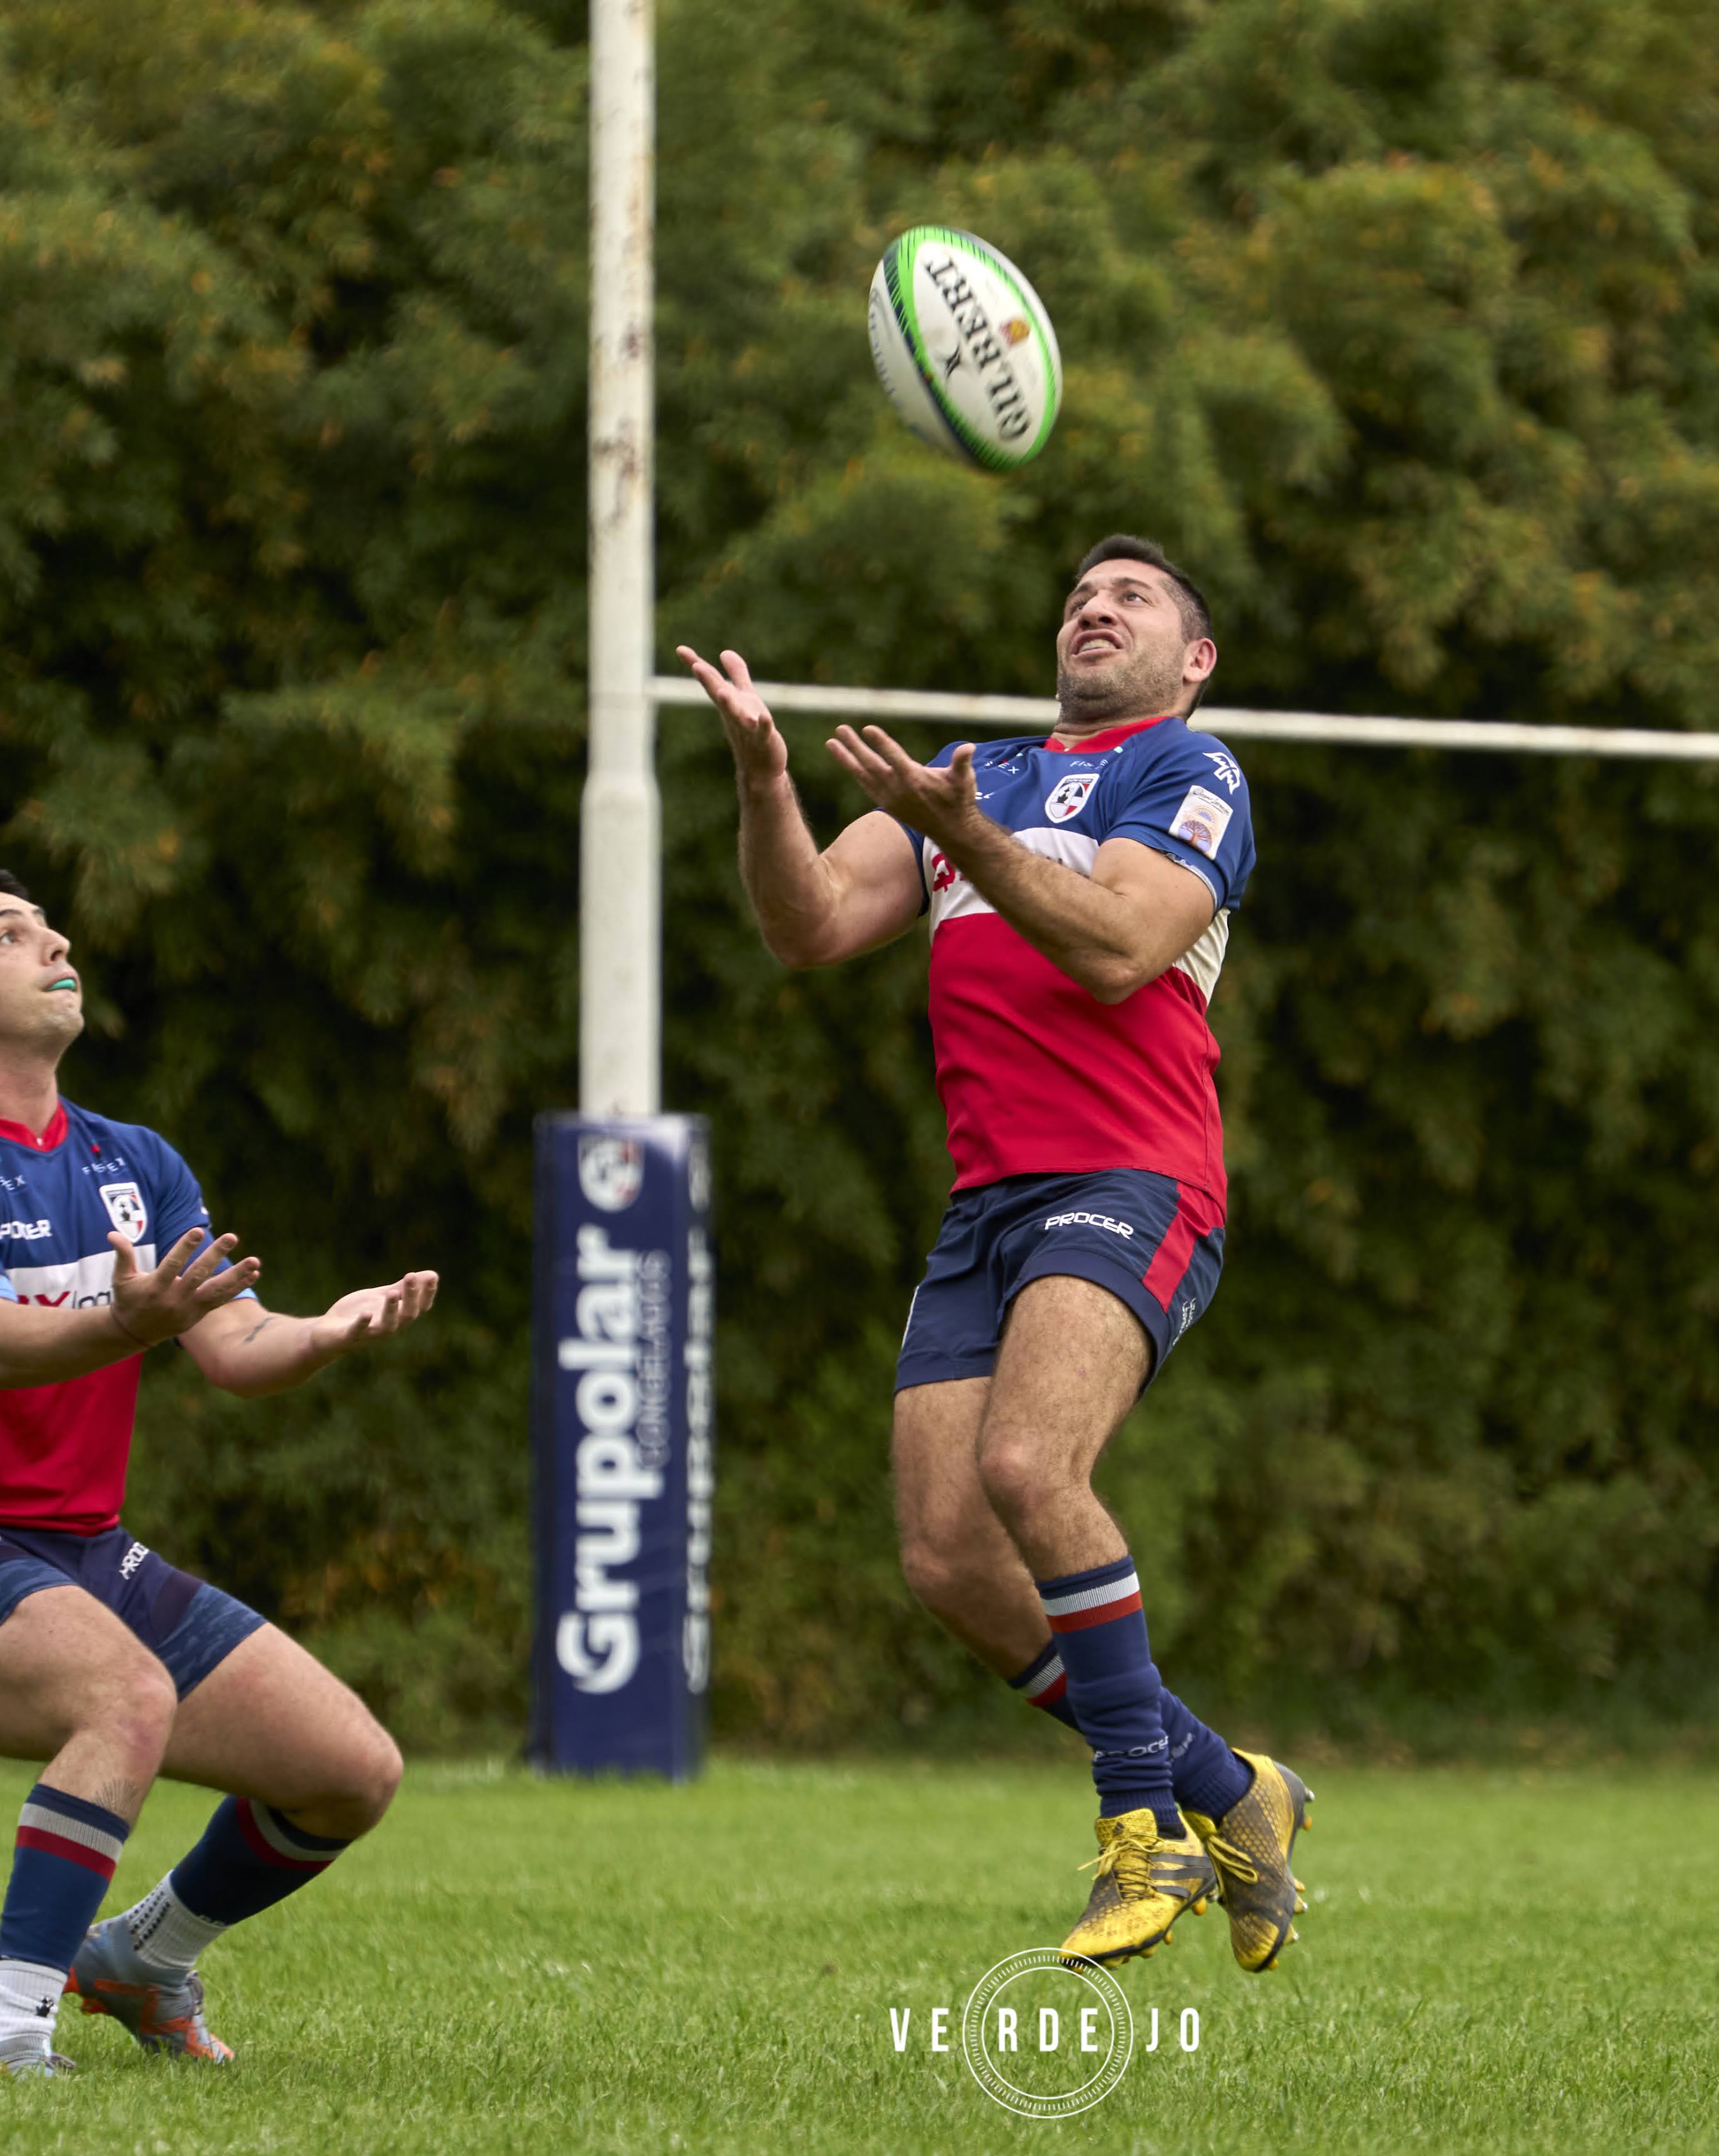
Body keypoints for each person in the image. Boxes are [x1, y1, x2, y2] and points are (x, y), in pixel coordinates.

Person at [680, 536, 1313, 1970]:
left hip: (1136, 1175)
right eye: (1081, 595)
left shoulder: (1189, 772)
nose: (1095, 607)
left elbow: (1120, 946)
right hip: (991, 1205)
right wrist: (767, 782)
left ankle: (1146, 1828)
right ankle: (1233, 1786)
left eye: (1133, 597)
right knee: (951, 1561)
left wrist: (966, 839)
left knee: (1030, 1467)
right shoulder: (979, 779)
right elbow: (809, 923)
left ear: (1195, 660)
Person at [0, 864, 439, 2076]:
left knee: (351, 1773)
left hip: (88, 1553)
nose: (56, 942)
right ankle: (11, 2041)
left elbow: (234, 1345)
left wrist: (326, 1330)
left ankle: (143, 1958)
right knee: (126, 1696)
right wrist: (125, 1321)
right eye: (11, 935)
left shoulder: (135, 1162)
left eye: (51, 927)